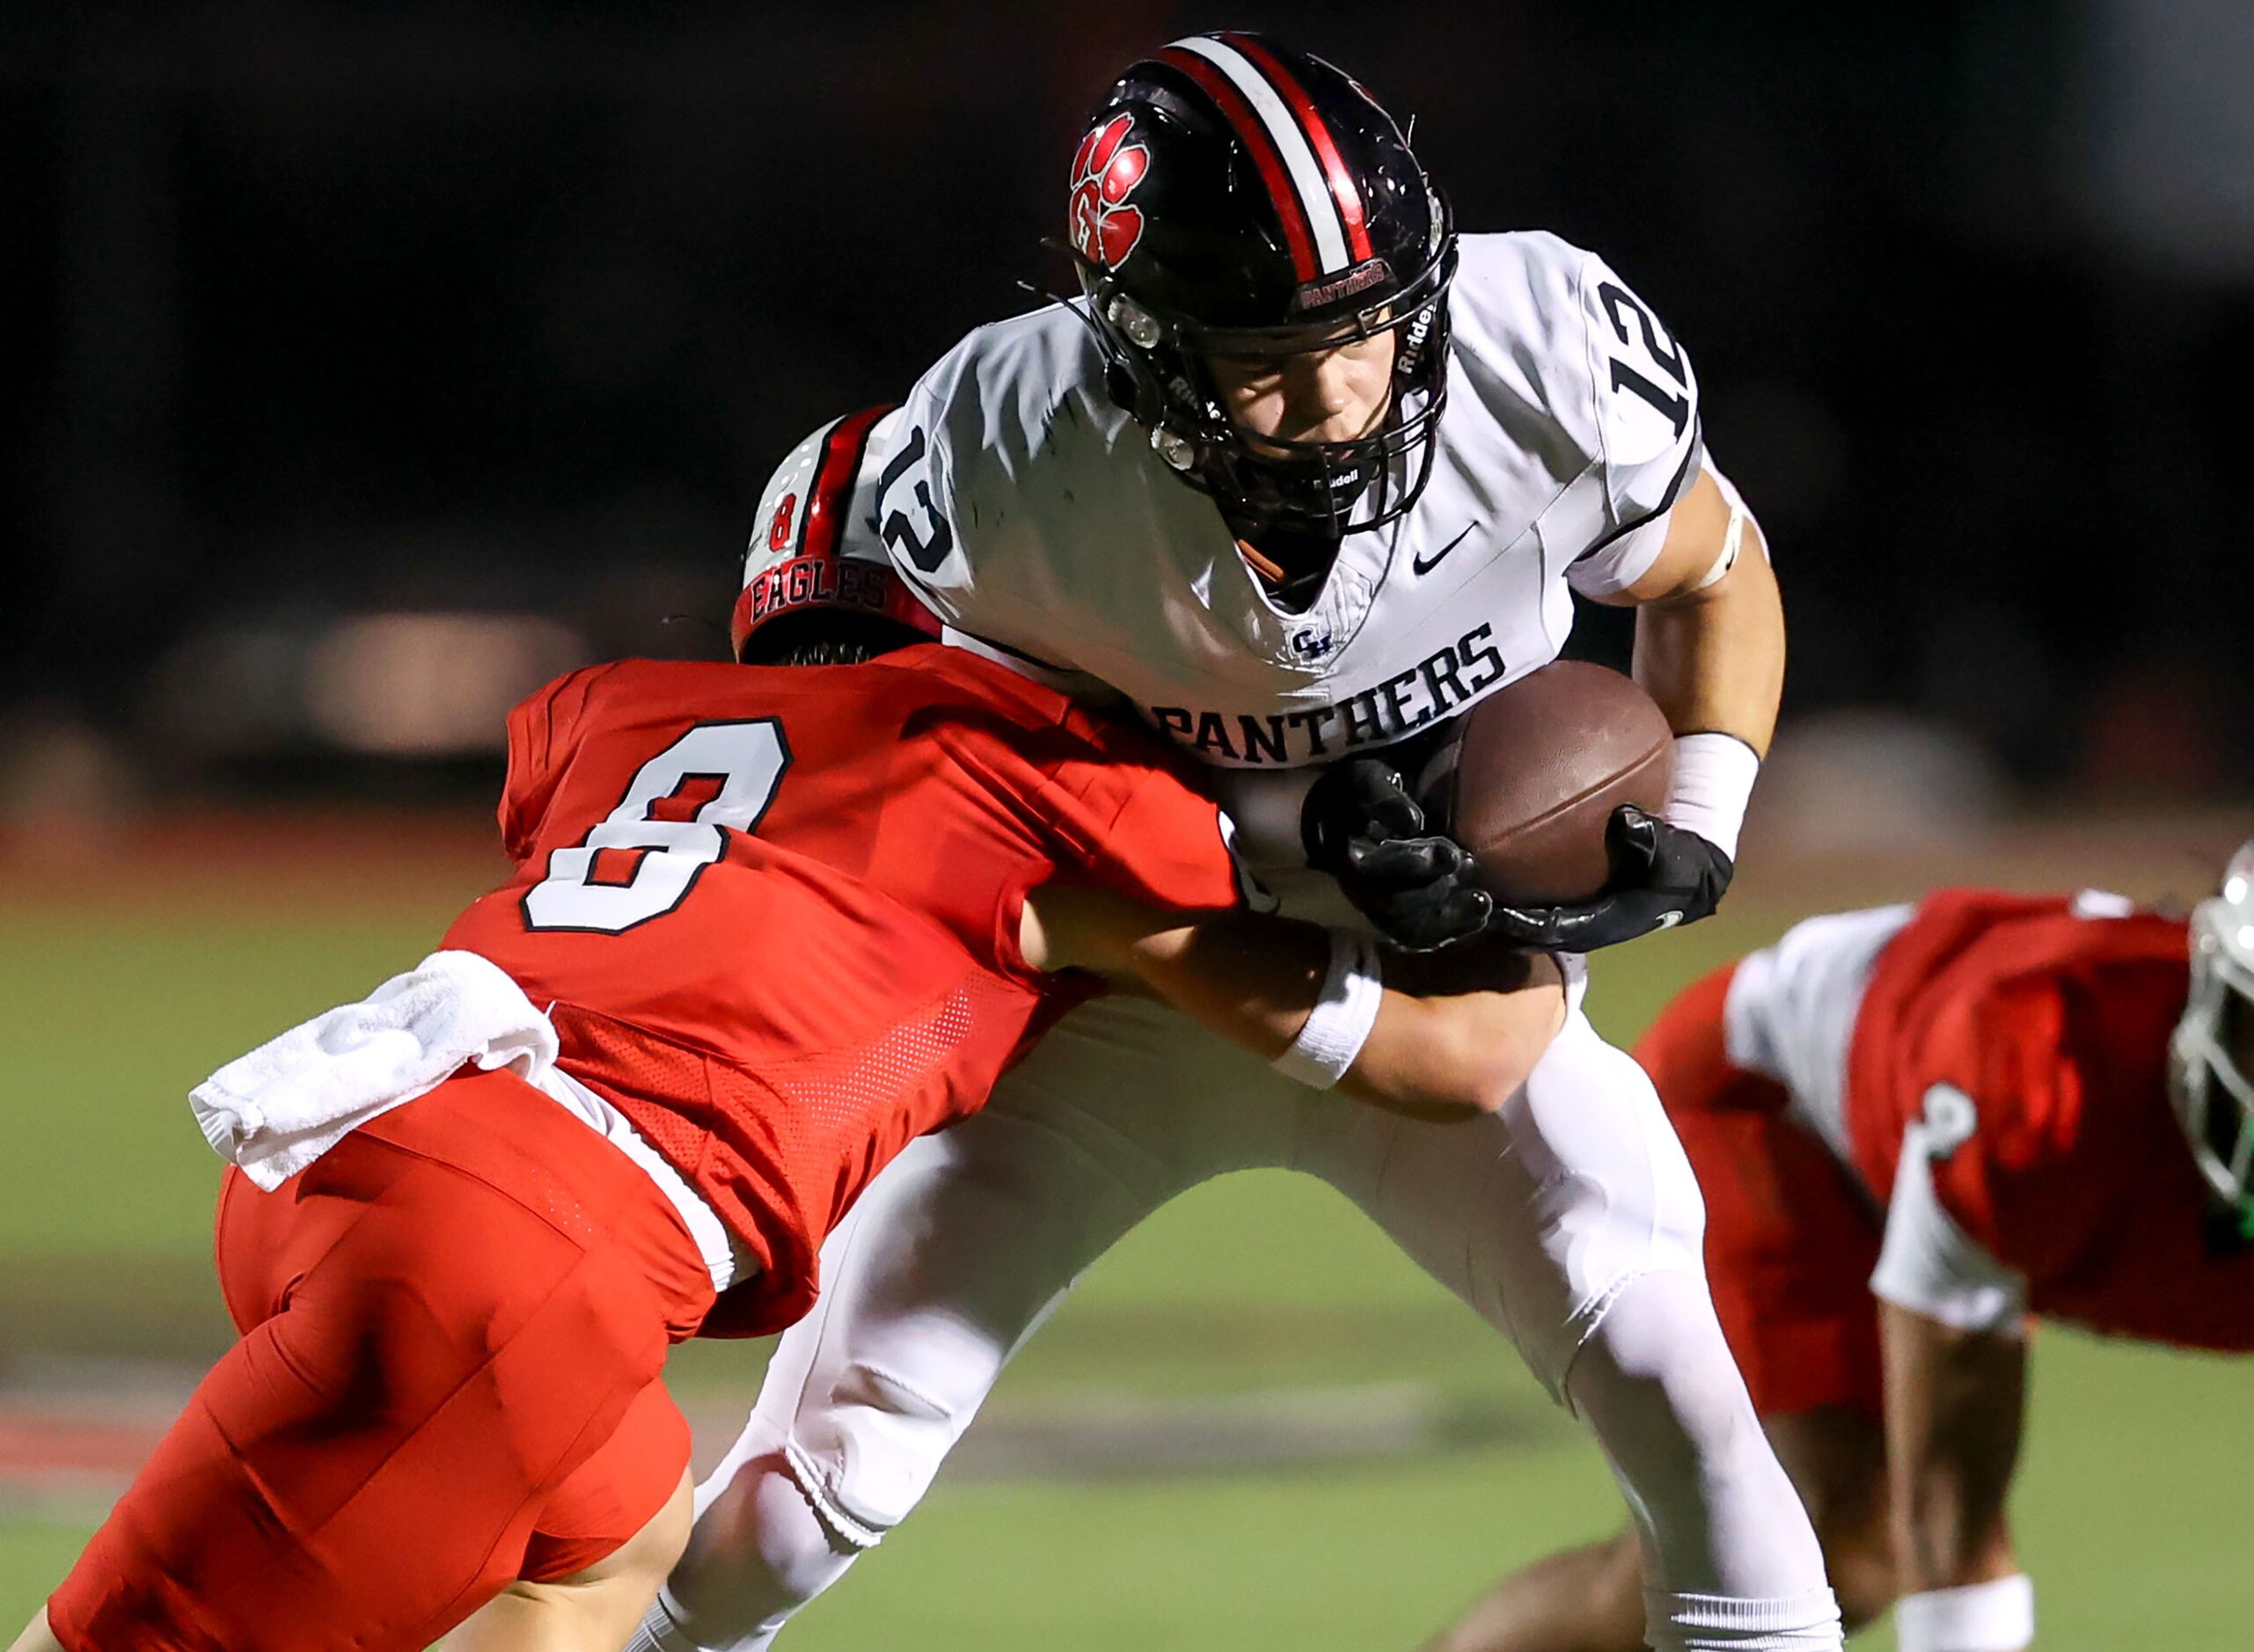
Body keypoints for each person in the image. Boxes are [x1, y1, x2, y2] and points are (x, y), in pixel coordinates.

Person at [647, 33, 1842, 1652]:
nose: (1340, 391)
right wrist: (1251, 820)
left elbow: (1712, 566)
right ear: (1135, 352)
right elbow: (860, 741)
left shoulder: (1537, 342)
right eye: (1268, 355)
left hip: (1432, 969)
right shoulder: (1007, 451)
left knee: (1683, 1395)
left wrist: (1693, 820)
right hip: (1124, 990)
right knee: (805, 1498)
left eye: (1366, 329)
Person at [10, 536, 1569, 1652]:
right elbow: (1442, 1063)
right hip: (518, 1266)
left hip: (349, 1145)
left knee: (606, 1549)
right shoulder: (1051, 799)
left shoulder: (617, 708)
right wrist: (1551, 908)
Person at [1425, 859, 2254, 1652]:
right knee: (1824, 1552)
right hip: (1777, 1099)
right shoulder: (2036, 1081)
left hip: (1959, 1143)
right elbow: (1949, 1531)